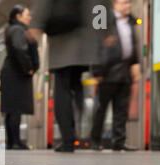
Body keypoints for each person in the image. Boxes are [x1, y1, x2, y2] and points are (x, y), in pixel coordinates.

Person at [30, 0, 107, 152]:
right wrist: (106, 30)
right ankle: (80, 127)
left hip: (63, 40)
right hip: (86, 41)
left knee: (62, 89)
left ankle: (68, 138)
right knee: (77, 85)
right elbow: (102, 5)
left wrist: (36, 22)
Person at [91, 0, 141, 151]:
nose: (128, 6)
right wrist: (97, 70)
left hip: (125, 71)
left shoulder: (131, 22)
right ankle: (95, 141)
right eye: (124, 3)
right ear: (115, 5)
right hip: (107, 72)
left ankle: (119, 141)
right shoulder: (103, 20)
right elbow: (96, 45)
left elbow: (132, 46)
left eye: (129, 3)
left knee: (121, 109)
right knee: (101, 108)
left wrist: (135, 65)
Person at [0, 5, 39, 150]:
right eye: (27, 15)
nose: (30, 18)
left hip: (12, 73)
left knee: (12, 109)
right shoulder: (18, 30)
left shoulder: (13, 29)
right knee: (15, 108)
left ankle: (12, 141)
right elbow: (19, 49)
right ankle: (15, 141)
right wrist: (28, 67)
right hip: (16, 73)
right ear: (18, 16)